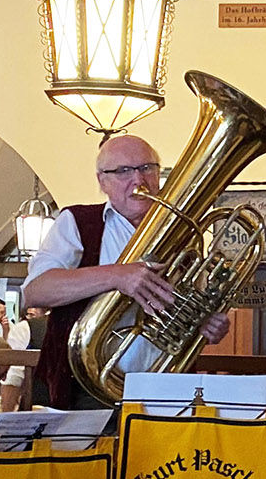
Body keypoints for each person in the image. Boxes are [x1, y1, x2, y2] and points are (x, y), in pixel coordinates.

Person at [23, 134, 229, 410]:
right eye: (122, 171)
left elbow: (190, 313)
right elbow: (35, 291)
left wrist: (206, 324)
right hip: (85, 393)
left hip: (164, 392)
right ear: (102, 181)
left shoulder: (184, 235)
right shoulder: (77, 221)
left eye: (147, 168)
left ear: (158, 175)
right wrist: (117, 276)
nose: (138, 180)